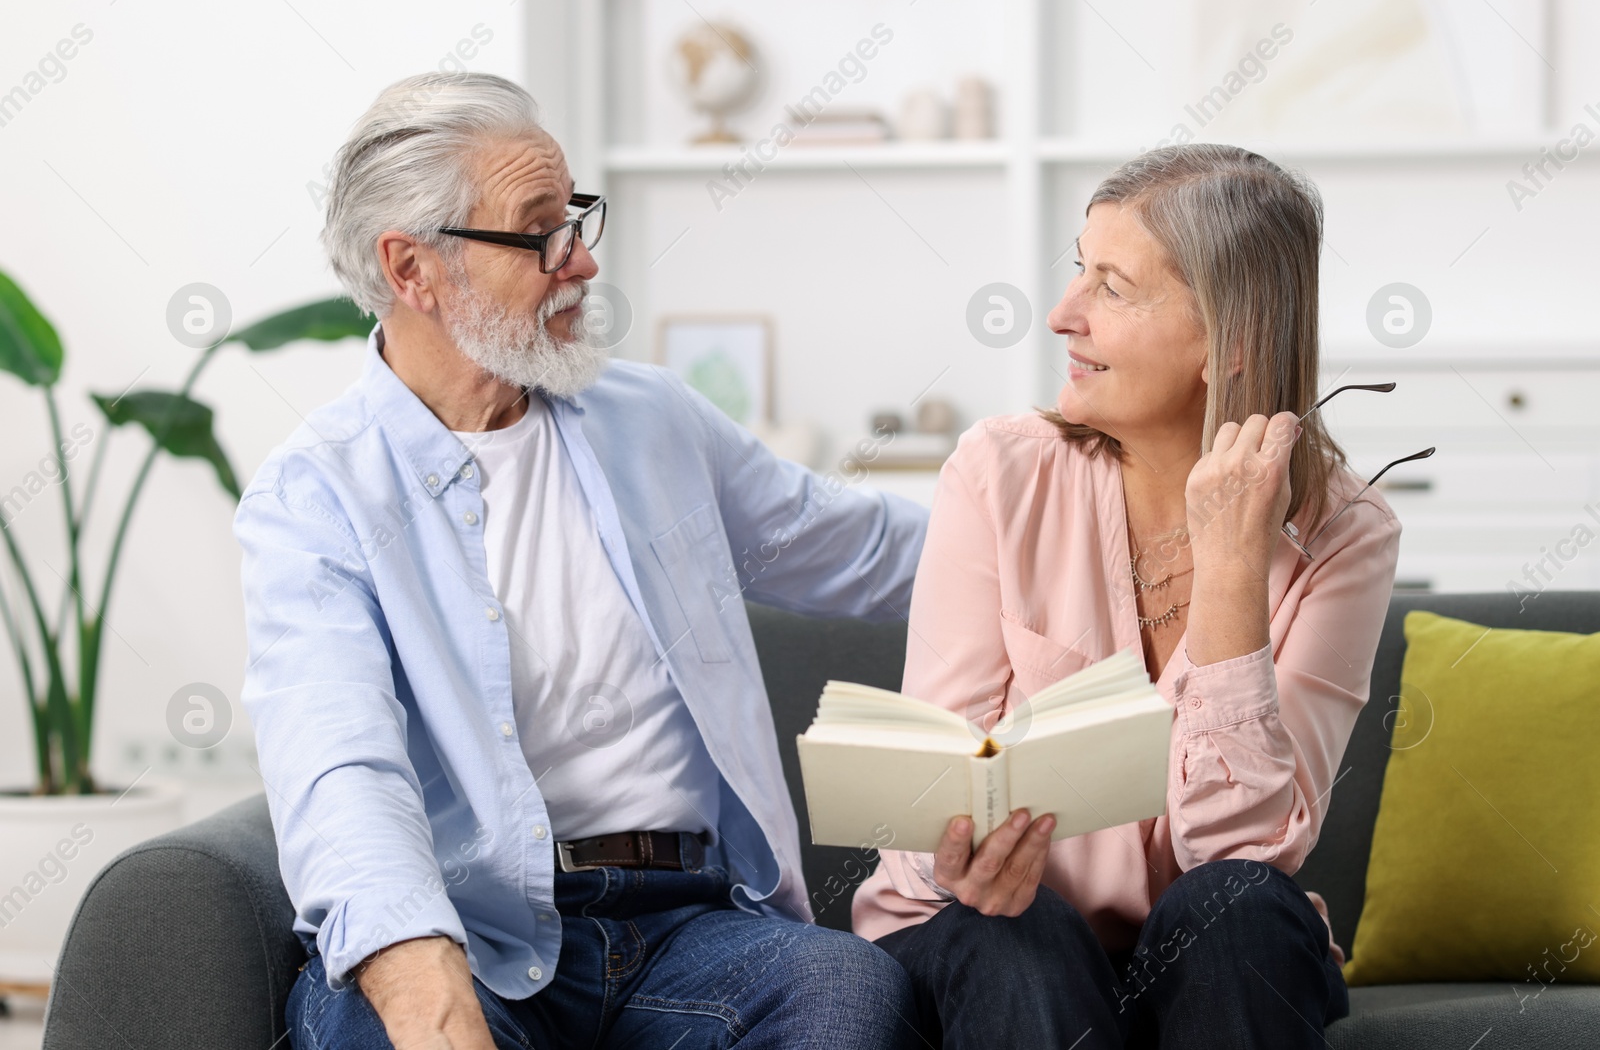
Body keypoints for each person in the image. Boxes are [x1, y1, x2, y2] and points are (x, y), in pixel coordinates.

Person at [234, 71, 928, 1049]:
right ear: (411, 268)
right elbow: (340, 765)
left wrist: (1103, 523)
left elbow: (862, 550)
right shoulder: (317, 496)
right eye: (538, 232)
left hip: (688, 922)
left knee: (848, 995)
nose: (583, 264)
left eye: (577, 220)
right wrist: (427, 988)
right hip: (470, 929)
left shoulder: (650, 421)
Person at [851, 144, 1403, 1049]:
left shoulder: (1345, 531)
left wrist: (1232, 572)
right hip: (994, 929)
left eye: (1111, 286)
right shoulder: (1001, 471)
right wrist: (951, 850)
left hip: (1204, 946)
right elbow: (929, 792)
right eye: (1078, 269)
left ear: (1232, 336)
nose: (1063, 315)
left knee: (1240, 909)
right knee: (1021, 938)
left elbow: (1245, 852)